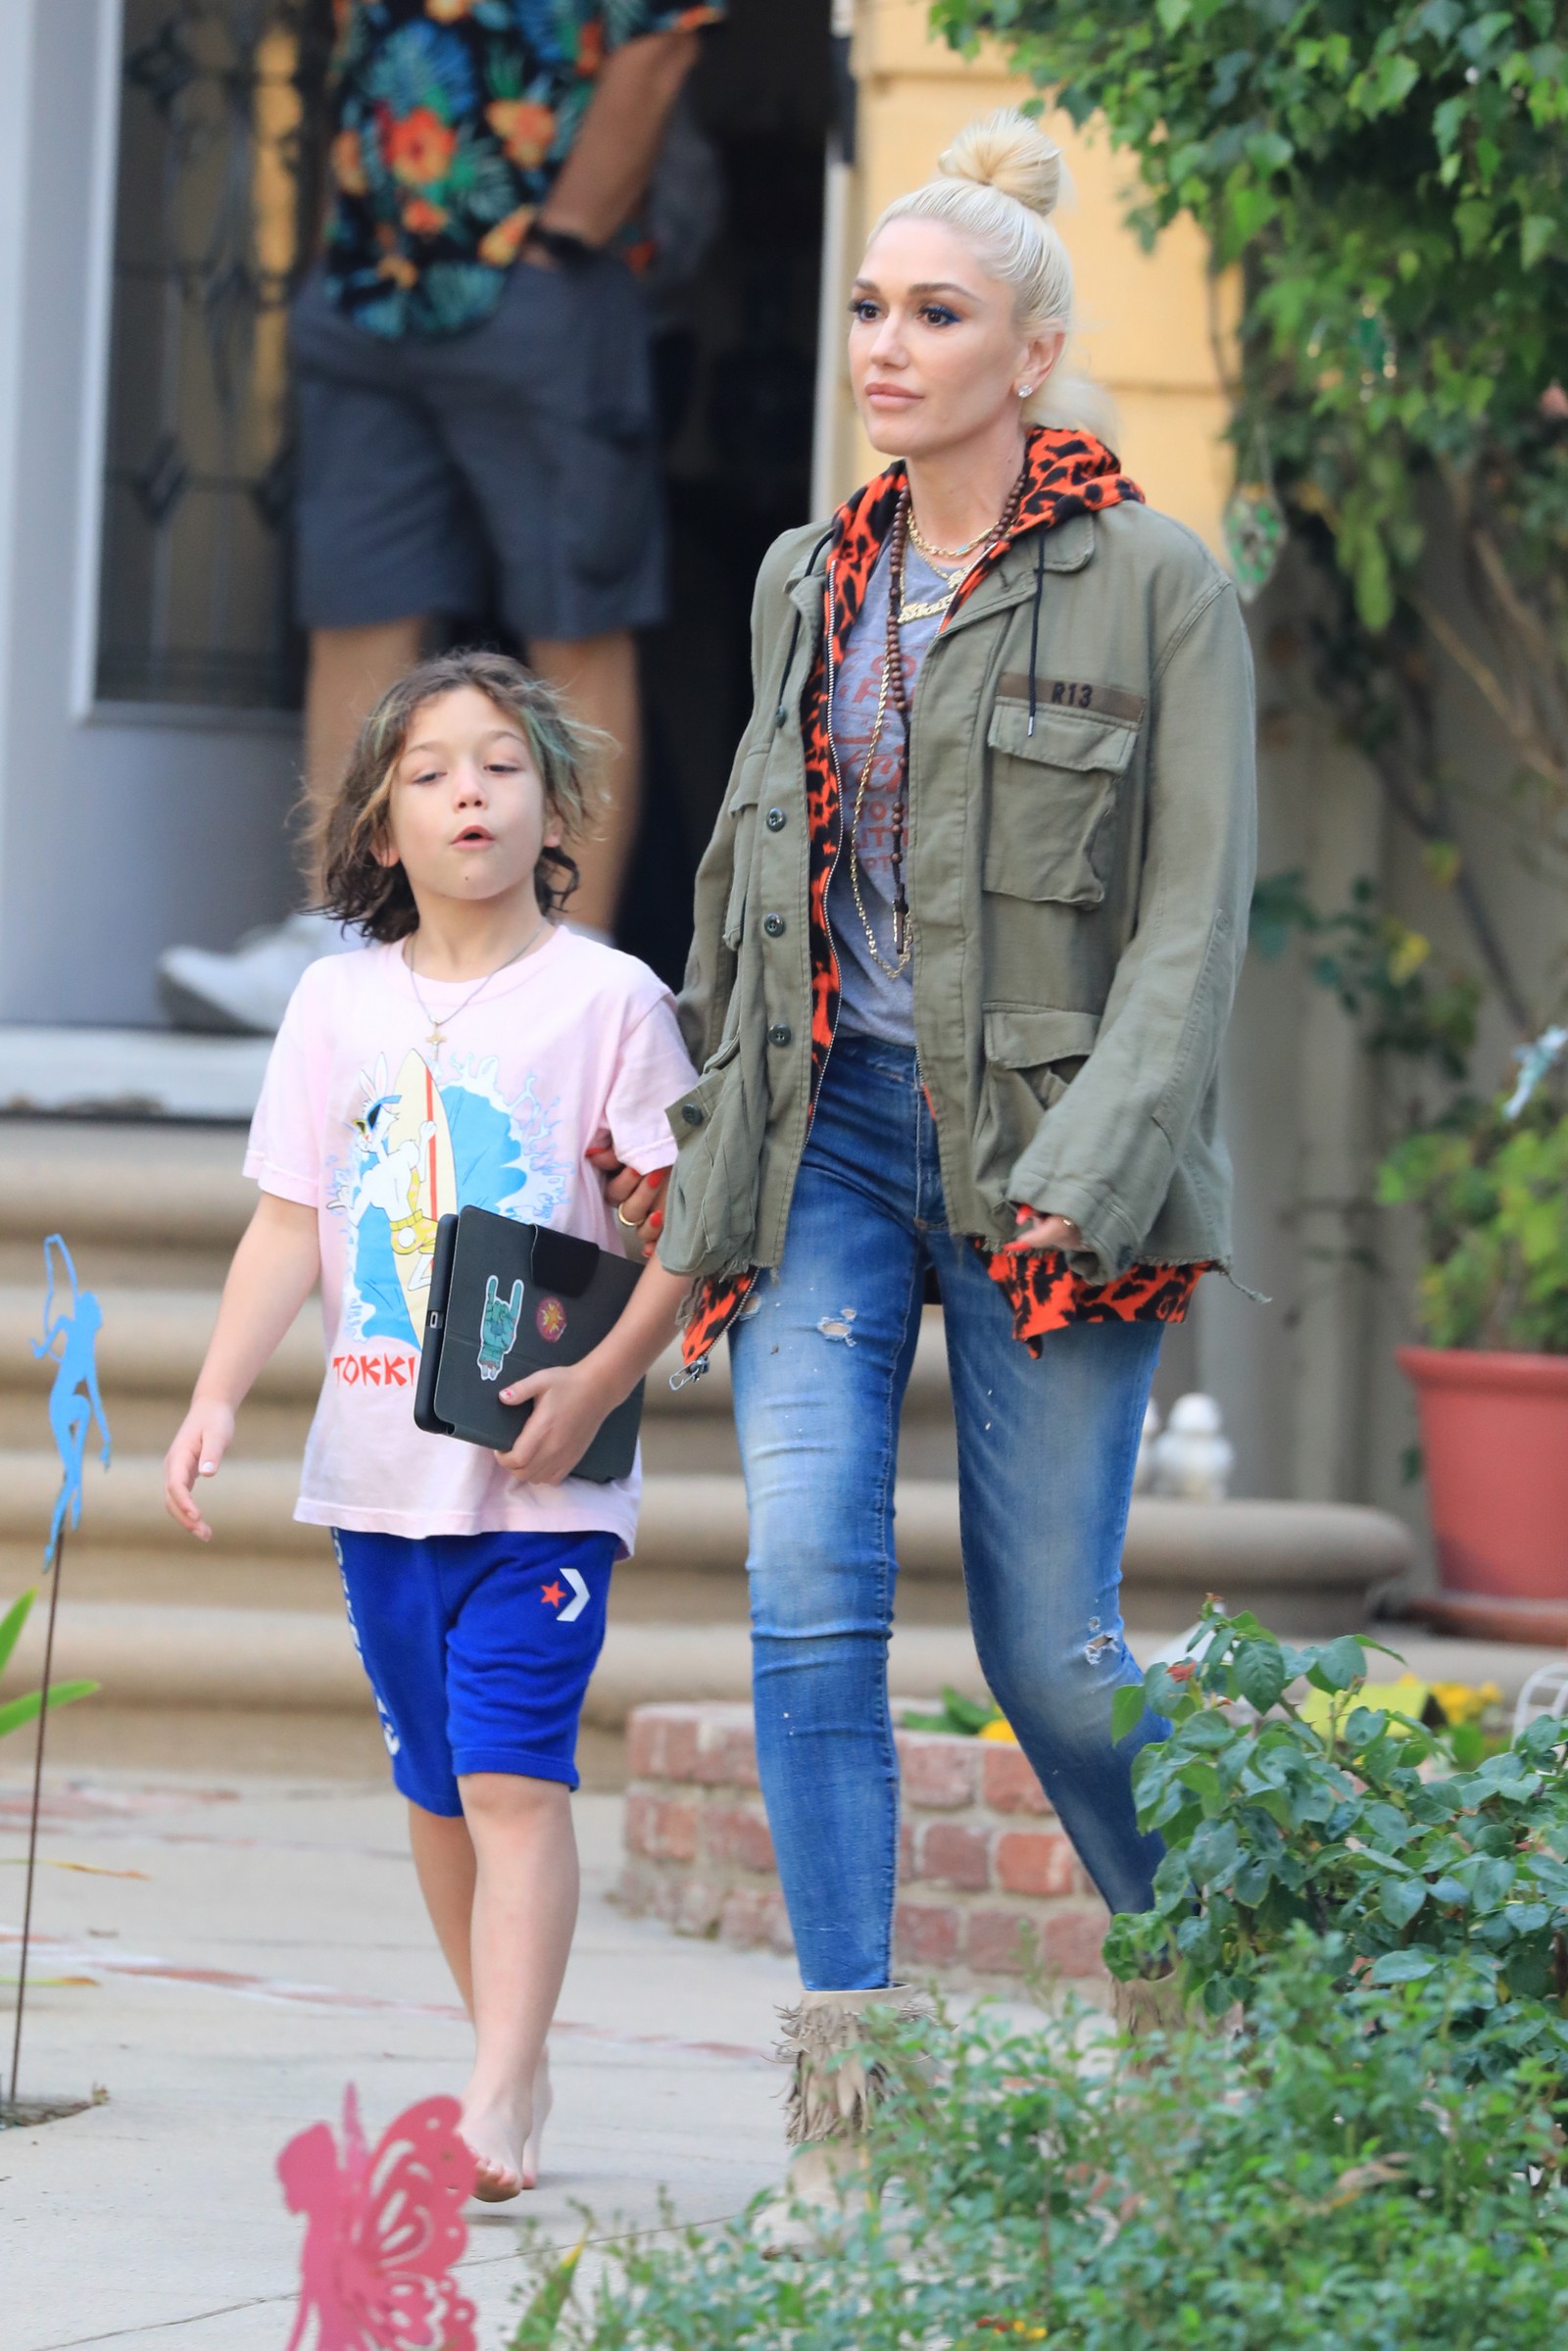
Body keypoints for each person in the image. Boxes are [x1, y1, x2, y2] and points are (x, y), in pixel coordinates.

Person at [618, 110, 1256, 2194]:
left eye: (936, 314)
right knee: (805, 1587)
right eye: (871, 308)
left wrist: (1105, 1148)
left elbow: (1192, 917)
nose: (884, 345)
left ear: (1034, 351)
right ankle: (856, 2097)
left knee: (1048, 1653)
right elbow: (753, 884)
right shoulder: (808, 575)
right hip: (826, 1136)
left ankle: (1223, 1987)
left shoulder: (1159, 586)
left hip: (1050, 1157)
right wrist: (698, 1135)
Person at [162, 649, 695, 2199]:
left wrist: (598, 1382)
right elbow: (289, 1219)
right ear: (380, 825)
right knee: (439, 1787)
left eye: (503, 765)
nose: (471, 791)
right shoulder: (334, 1002)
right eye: (432, 770)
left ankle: (496, 2086)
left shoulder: (612, 999)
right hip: (379, 1472)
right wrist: (214, 1392)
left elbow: (687, 1228)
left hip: (542, 1476)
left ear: (557, 810)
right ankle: (505, 2053)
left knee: (517, 1775)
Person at [157, 0, 724, 1036]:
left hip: (538, 282)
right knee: (357, 605)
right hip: (366, 286)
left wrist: (563, 237)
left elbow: (663, 36)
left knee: (576, 612)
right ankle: (340, 941)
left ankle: (574, 971)